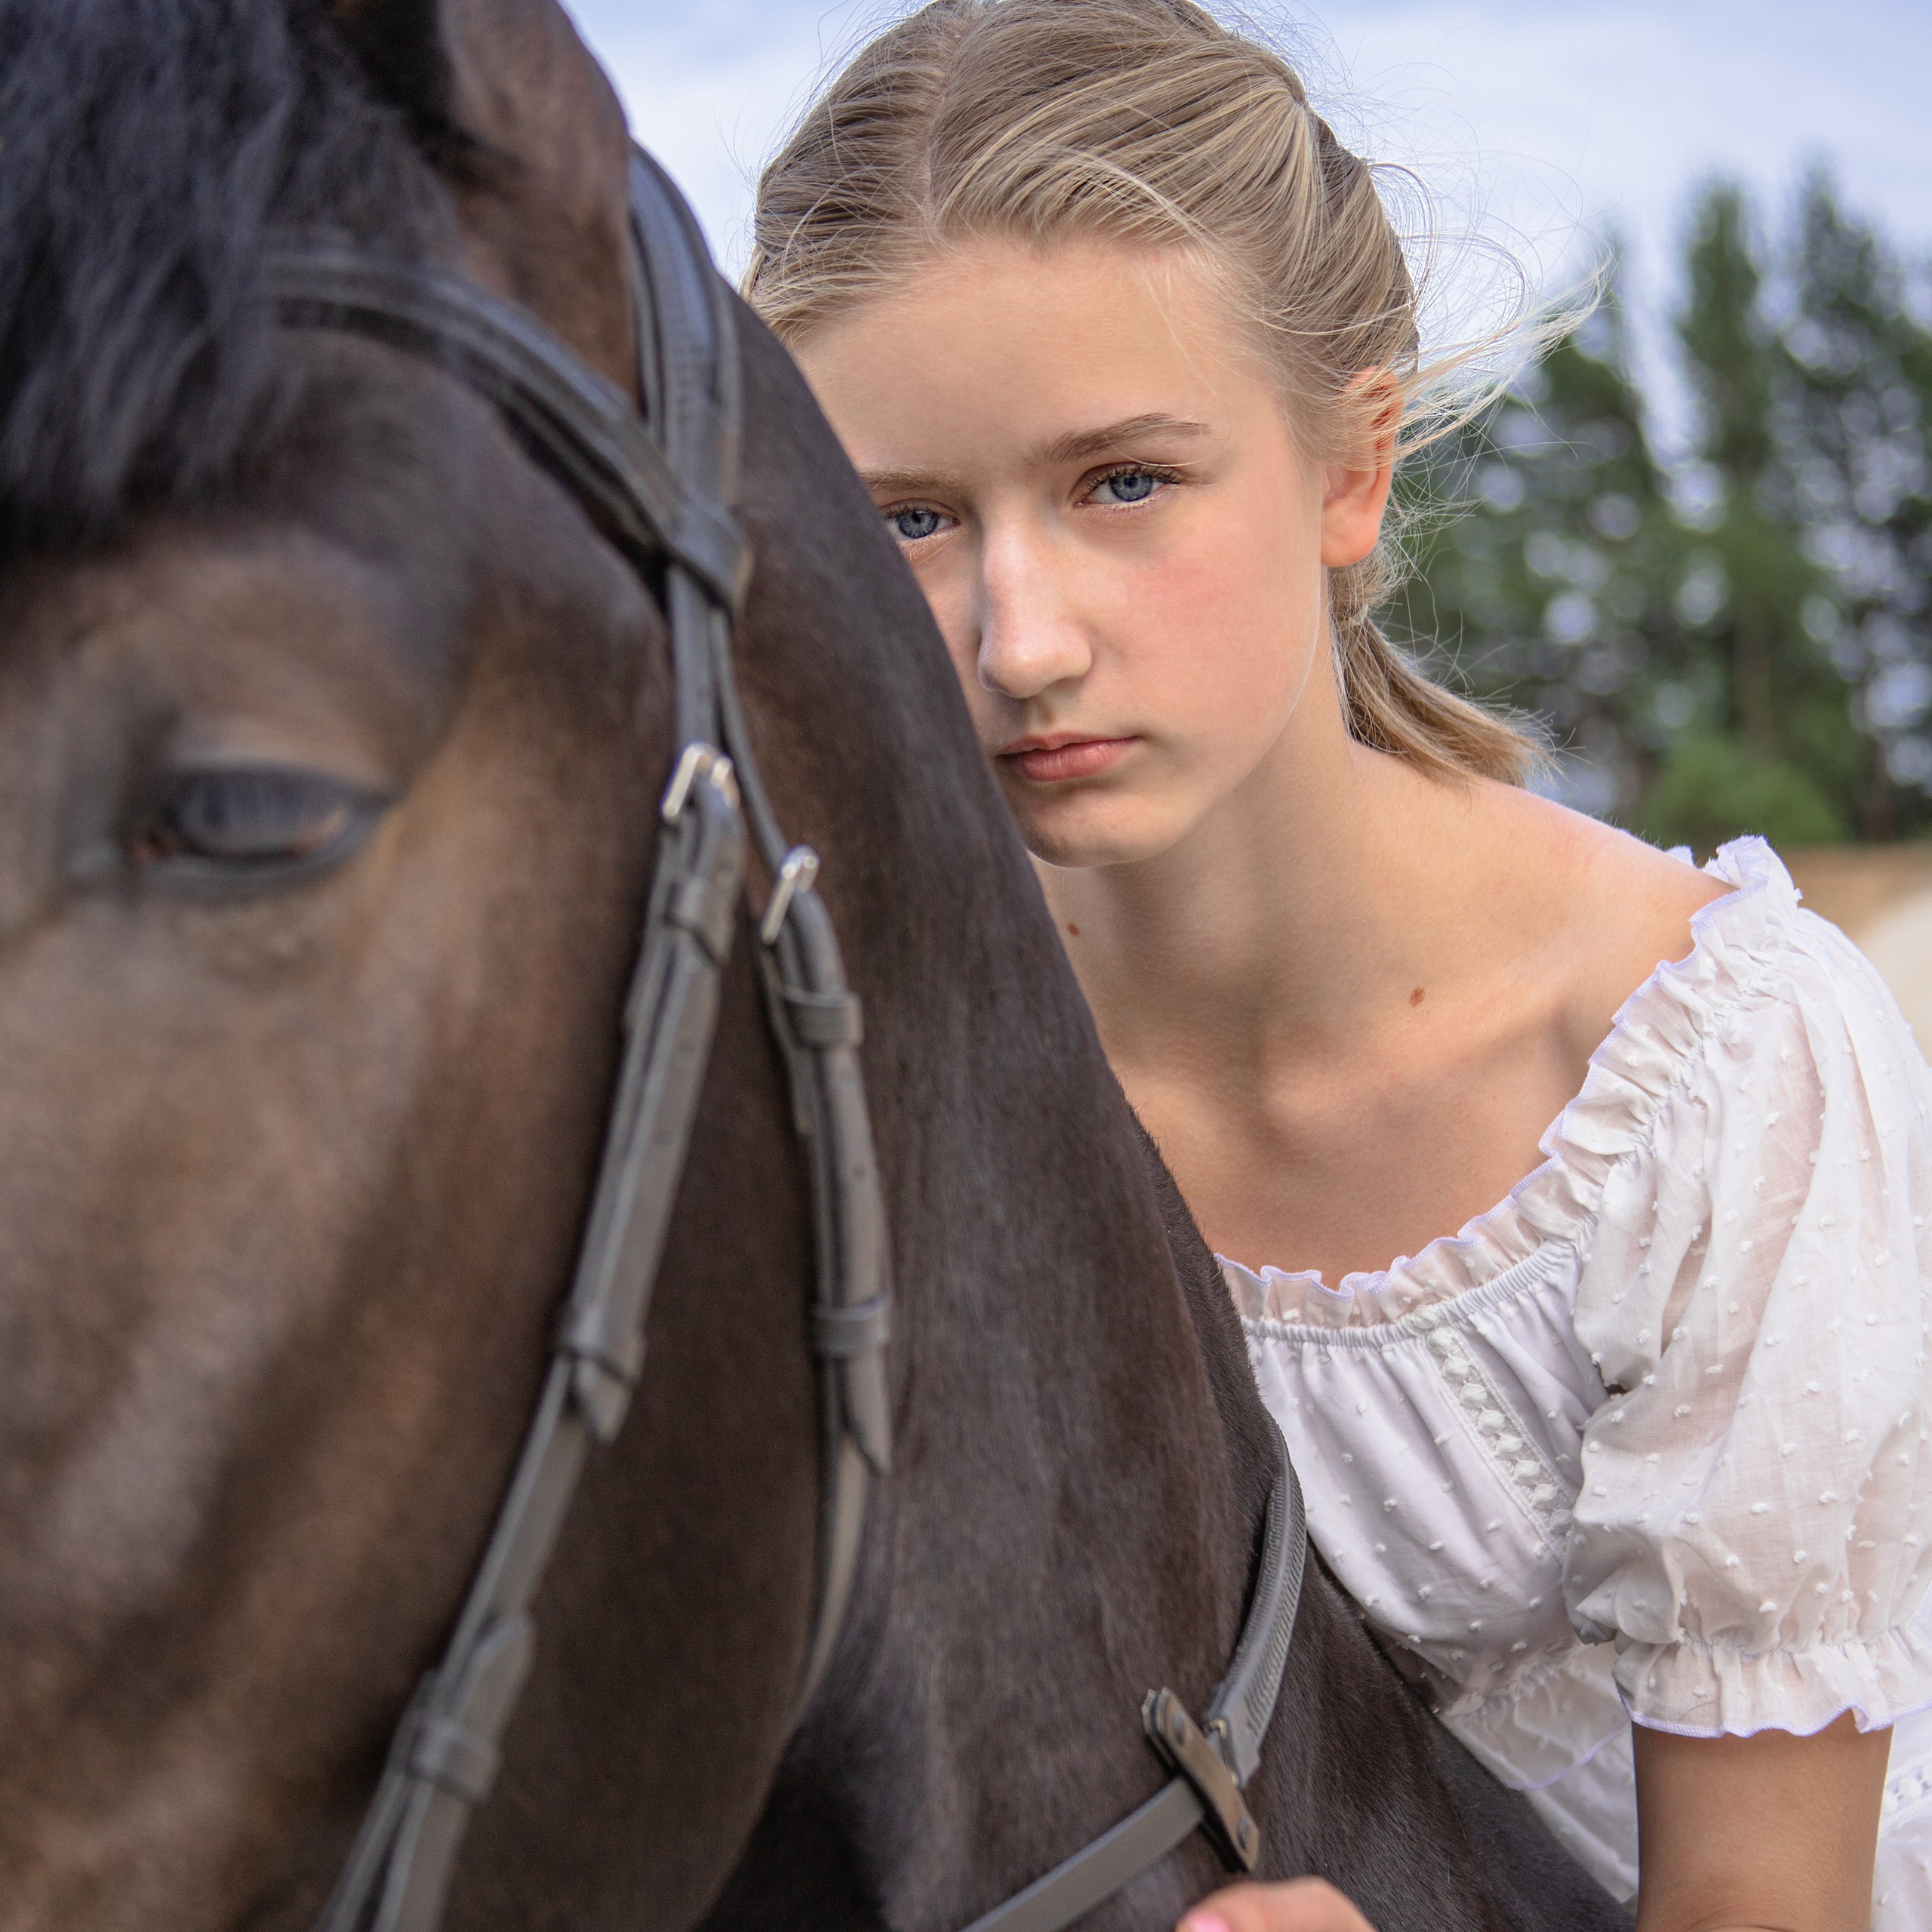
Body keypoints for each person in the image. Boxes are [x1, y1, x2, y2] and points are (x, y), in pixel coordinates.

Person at [743, 2, 1932, 1925]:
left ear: (1347, 470)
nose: (1019, 638)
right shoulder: (844, 1054)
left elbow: (1764, 1901)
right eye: (909, 516)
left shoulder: (1708, 1075)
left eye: (1123, 481)